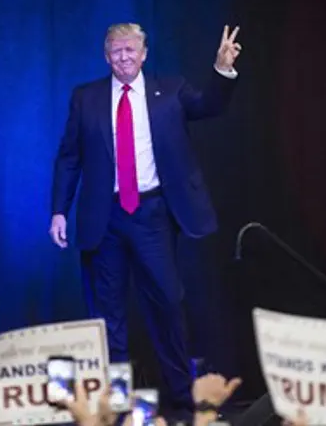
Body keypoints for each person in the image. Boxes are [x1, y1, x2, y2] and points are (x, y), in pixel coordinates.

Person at [49, 22, 241, 415]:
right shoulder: (85, 98)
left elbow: (210, 105)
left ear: (144, 53)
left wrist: (222, 70)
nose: (123, 57)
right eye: (116, 51)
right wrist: (58, 211)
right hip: (104, 219)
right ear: (106, 56)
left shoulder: (171, 90)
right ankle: (117, 406)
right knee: (108, 317)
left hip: (152, 215)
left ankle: (180, 400)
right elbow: (69, 158)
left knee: (168, 306)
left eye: (130, 50)